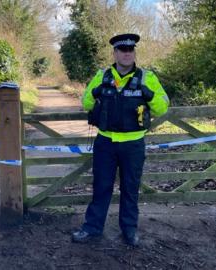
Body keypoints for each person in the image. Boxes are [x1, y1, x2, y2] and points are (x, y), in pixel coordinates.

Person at [72, 33, 169, 246]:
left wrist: (149, 94)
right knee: (101, 187)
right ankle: (92, 228)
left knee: (130, 188)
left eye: (130, 50)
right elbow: (86, 103)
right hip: (105, 142)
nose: (127, 54)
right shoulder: (102, 75)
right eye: (122, 50)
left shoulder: (147, 77)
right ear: (115, 53)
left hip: (133, 144)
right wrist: (95, 91)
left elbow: (163, 107)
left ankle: (129, 231)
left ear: (134, 53)